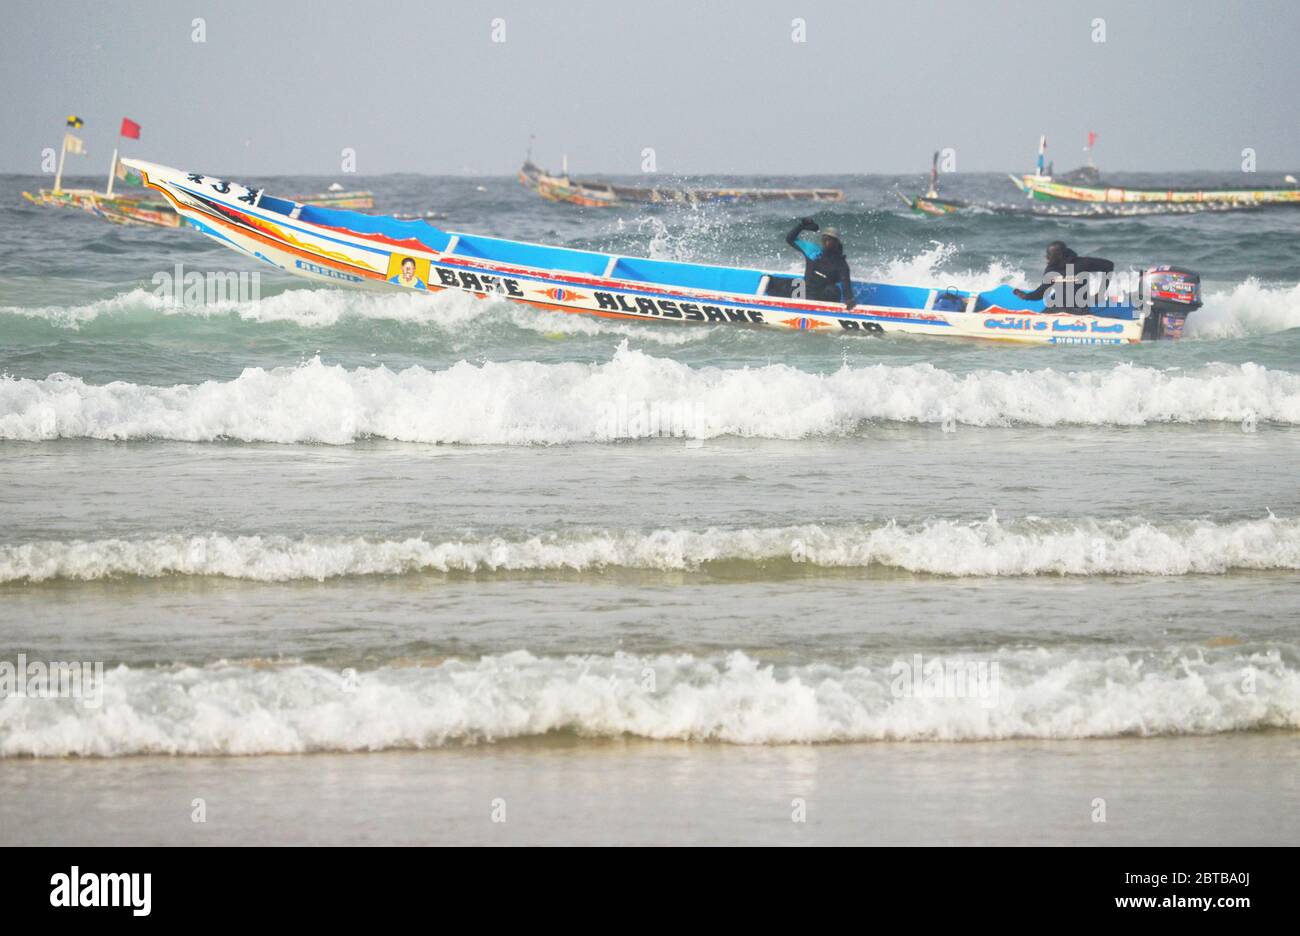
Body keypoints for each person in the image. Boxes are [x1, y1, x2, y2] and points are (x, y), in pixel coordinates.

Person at [1013, 240, 1114, 311]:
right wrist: (1026, 296)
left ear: (1059, 256)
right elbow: (1041, 293)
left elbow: (1109, 266)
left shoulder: (1082, 263)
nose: (1047, 258)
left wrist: (1101, 292)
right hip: (1057, 308)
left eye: (1049, 255)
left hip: (1079, 309)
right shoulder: (1051, 270)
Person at [786, 218, 856, 309]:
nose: (826, 242)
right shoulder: (812, 250)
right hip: (807, 294)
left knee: (834, 290)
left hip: (824, 299)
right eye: (824, 239)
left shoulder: (841, 264)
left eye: (830, 240)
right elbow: (790, 239)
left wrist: (849, 300)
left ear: (837, 243)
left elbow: (846, 285)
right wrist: (801, 226)